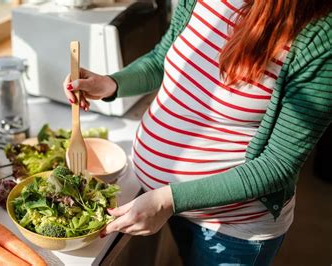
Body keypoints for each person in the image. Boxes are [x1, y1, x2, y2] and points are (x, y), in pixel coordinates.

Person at [64, 0, 331, 265]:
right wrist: (111, 84)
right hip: (170, 203)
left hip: (231, 228)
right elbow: (162, 59)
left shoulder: (321, 36)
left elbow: (277, 166)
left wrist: (168, 200)